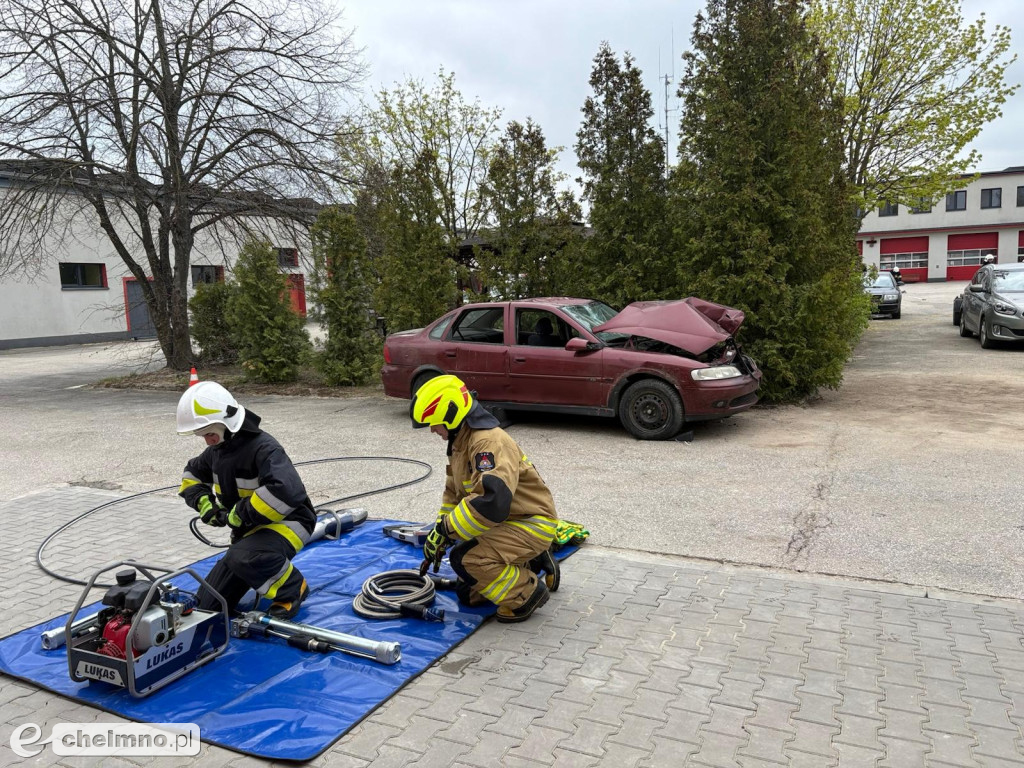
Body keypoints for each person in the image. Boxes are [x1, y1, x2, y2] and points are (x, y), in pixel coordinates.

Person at [411, 374, 560, 623]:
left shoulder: (488, 443)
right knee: (468, 594)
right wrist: (440, 530)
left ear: (452, 415)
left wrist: (447, 531)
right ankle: (533, 561)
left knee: (466, 560)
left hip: (529, 522)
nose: (432, 430)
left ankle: (527, 593)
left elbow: (491, 502)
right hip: (506, 523)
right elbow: (453, 495)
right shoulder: (461, 442)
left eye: (434, 423)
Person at [176, 381, 316, 619]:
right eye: (202, 435)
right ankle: (250, 565)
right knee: (207, 607)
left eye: (210, 433)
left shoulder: (264, 448)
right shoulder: (217, 451)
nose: (207, 441)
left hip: (289, 522)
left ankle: (293, 588)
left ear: (228, 423)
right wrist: (205, 505)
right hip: (249, 530)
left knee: (244, 556)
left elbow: (286, 491)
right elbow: (191, 475)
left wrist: (239, 514)